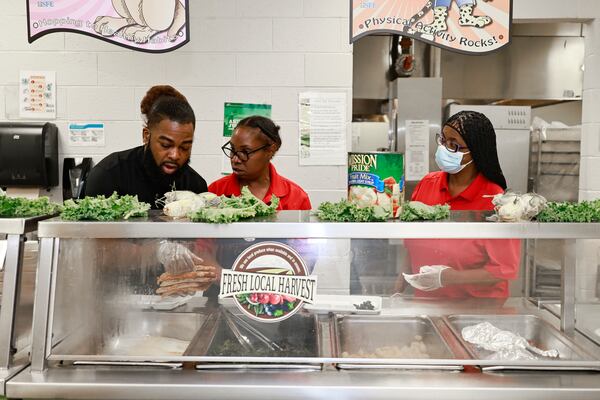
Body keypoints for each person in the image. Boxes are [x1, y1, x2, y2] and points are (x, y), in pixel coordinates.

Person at [398, 110, 521, 298]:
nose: (445, 149)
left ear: (476, 151)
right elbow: (412, 240)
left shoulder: (495, 199)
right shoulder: (427, 184)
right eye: (443, 141)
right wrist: (401, 280)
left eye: (454, 145)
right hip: (426, 301)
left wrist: (449, 278)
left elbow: (504, 269)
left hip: (477, 308)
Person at [83, 85, 207, 207]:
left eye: (184, 147)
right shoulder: (108, 176)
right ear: (146, 136)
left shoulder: (196, 186)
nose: (175, 155)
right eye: (165, 145)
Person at [209, 115, 311, 210]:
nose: (235, 159)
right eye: (232, 149)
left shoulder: (297, 198)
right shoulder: (215, 192)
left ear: (271, 150)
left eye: (245, 152)